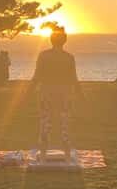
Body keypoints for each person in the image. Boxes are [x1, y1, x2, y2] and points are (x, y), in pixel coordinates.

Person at [30, 27, 82, 160]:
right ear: (64, 41)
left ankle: (43, 148)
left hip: (46, 91)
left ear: (51, 40)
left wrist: (29, 90)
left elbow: (37, 75)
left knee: (45, 119)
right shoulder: (69, 57)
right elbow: (73, 77)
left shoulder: (44, 55)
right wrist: (79, 92)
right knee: (64, 120)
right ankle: (66, 147)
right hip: (64, 92)